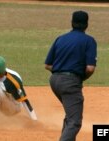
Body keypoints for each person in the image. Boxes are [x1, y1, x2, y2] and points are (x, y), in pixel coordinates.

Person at [44, 10, 97, 141]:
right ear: (87, 24)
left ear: (72, 23)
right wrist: (78, 78)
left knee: (71, 115)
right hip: (70, 83)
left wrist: (61, 73)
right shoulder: (89, 41)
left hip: (54, 81)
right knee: (75, 122)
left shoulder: (60, 38)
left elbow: (47, 65)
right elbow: (90, 68)